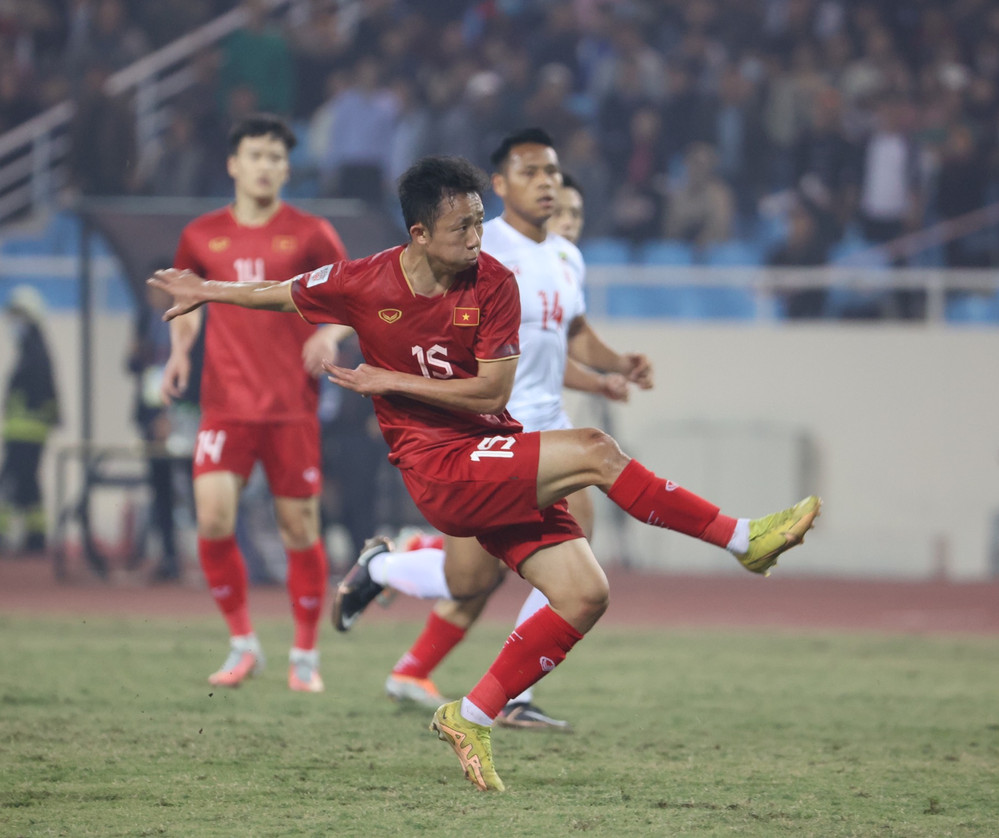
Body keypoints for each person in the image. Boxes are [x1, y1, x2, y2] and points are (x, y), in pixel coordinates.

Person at [148, 155, 820, 792]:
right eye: (462, 226)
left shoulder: (495, 282)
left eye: (478, 220)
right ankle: (743, 540)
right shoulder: (363, 280)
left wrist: (389, 377)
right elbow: (280, 294)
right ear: (419, 233)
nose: (477, 236)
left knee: (585, 593)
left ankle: (470, 715)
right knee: (593, 449)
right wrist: (203, 290)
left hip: (486, 446)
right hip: (436, 468)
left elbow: (492, 394)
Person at [353, 130, 649, 733]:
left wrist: (615, 368)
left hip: (550, 421)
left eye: (571, 206)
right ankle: (385, 572)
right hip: (494, 427)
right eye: (549, 192)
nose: (562, 211)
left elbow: (568, 337)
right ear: (504, 185)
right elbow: (488, 349)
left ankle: (500, 690)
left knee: (562, 564)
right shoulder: (491, 255)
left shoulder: (566, 259)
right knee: (472, 578)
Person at [163, 114, 350, 694]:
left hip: (291, 404)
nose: (266, 165)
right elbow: (187, 301)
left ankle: (305, 655)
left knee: (298, 528)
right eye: (256, 155)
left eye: (276, 156)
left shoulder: (312, 233)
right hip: (224, 405)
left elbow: (351, 297)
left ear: (286, 168)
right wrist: (179, 354)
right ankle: (243, 644)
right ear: (234, 164)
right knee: (213, 520)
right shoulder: (201, 235)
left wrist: (328, 334)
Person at [126, 272, 194, 582]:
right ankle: (168, 558)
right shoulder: (144, 321)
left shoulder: (188, 320)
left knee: (197, 490)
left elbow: (195, 369)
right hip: (152, 417)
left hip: (184, 418)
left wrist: (173, 414)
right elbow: (133, 366)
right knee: (161, 490)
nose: (152, 297)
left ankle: (206, 558)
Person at [0, 284, 61, 555]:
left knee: (10, 481)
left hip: (25, 431)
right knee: (28, 484)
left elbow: (36, 393)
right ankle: (36, 535)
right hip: (27, 430)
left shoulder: (33, 352)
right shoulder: (33, 348)